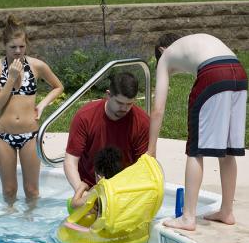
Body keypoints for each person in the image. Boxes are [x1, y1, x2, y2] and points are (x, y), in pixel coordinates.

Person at [147, 33, 248, 231]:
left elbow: (158, 109)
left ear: (161, 50)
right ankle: (227, 211)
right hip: (239, 73)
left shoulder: (166, 56)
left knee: (195, 148)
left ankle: (188, 217)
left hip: (213, 73)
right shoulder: (194, 44)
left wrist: (151, 149)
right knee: (228, 149)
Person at [0, 14, 64, 211]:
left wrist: (43, 104)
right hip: (4, 136)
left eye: (21, 46)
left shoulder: (36, 65)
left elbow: (58, 86)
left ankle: (30, 223)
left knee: (31, 190)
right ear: (4, 45)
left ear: (26, 44)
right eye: (13, 47)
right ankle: (9, 227)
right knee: (9, 190)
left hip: (30, 135)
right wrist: (11, 78)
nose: (17, 51)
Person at [64, 71, 150, 192]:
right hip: (89, 187)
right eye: (120, 103)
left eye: (129, 104)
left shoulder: (142, 122)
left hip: (125, 189)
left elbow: (144, 167)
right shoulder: (85, 117)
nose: (124, 109)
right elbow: (70, 161)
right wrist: (80, 190)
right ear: (108, 95)